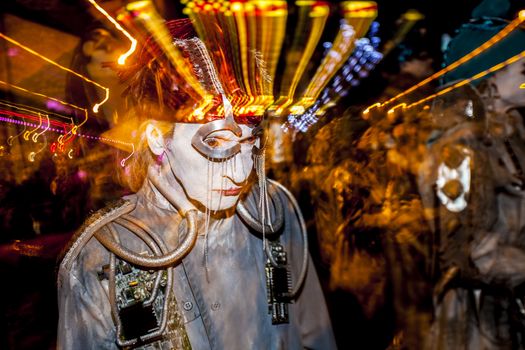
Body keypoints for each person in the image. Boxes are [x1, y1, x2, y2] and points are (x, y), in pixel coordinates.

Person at [56, 18, 336, 350]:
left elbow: (315, 336)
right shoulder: (101, 258)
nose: (241, 172)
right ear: (158, 138)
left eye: (250, 143)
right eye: (217, 143)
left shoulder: (273, 212)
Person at [418, 1, 525, 348]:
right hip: (476, 324)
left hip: (509, 312)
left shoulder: (508, 137)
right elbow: (468, 251)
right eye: (522, 72)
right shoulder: (458, 150)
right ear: (488, 75)